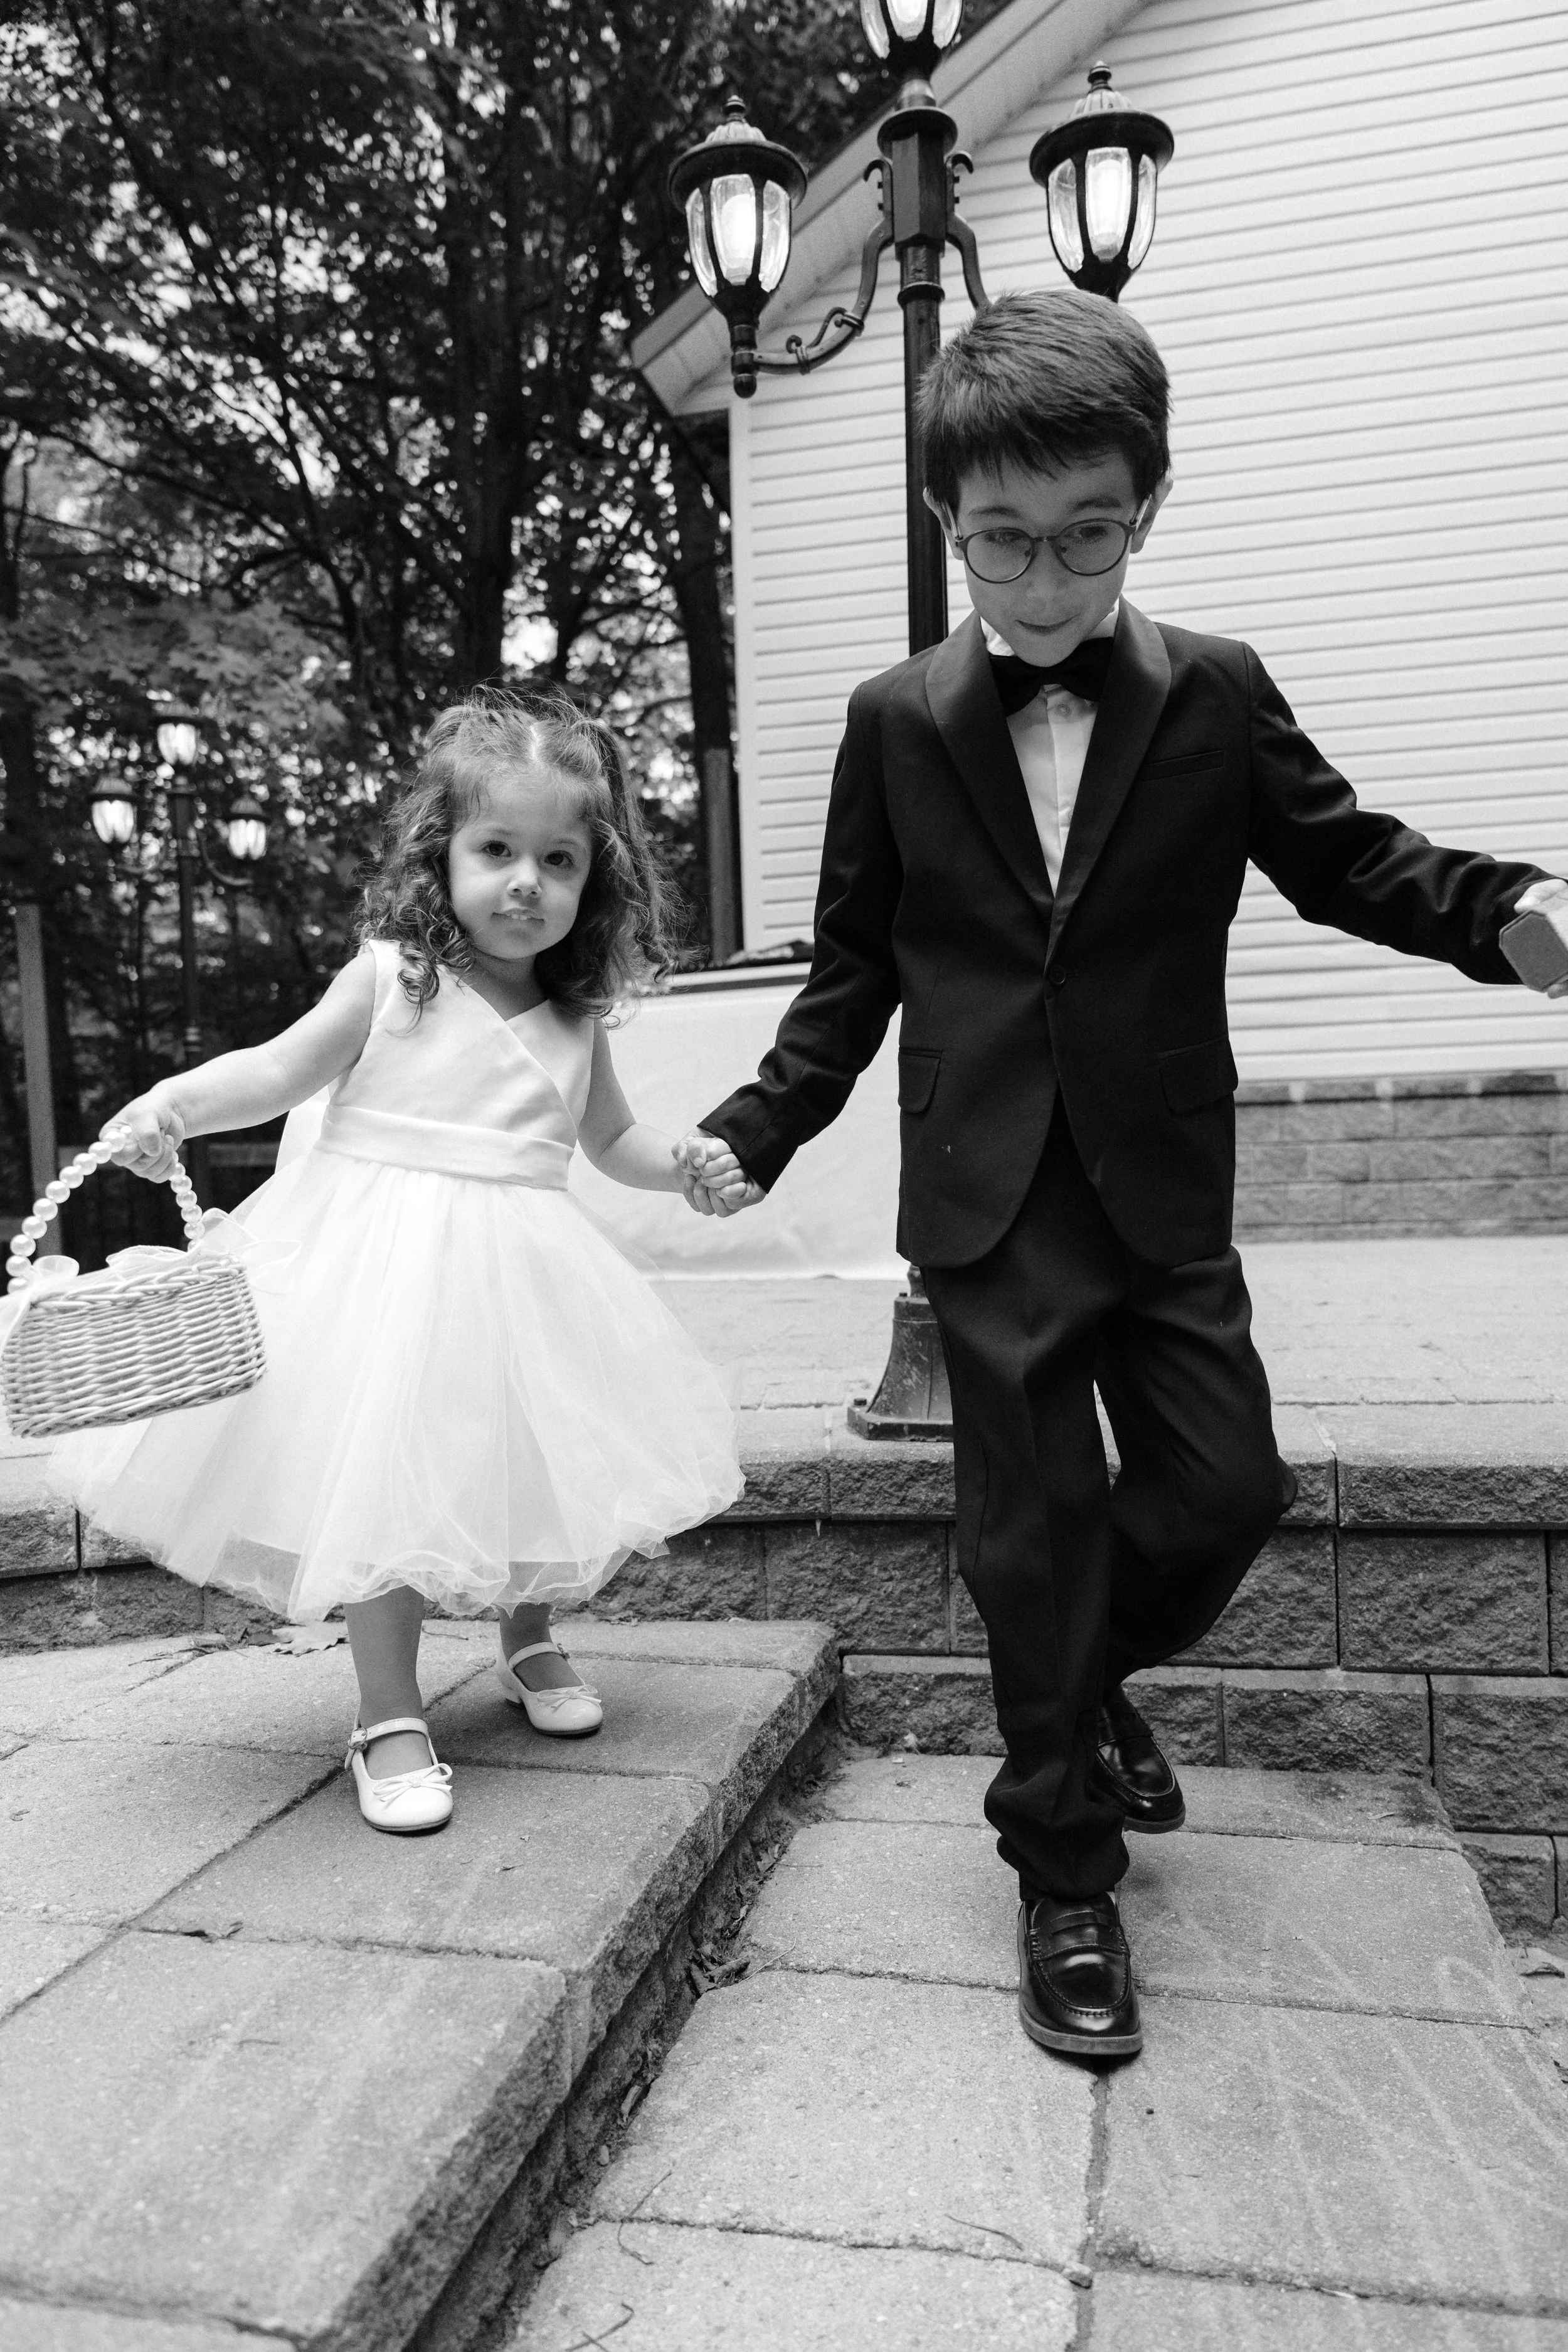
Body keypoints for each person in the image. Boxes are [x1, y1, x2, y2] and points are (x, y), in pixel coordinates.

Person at [676, 288, 1568, 2061]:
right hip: (987, 1192)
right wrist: (757, 1121)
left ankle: (1077, 1695)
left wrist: (1508, 913)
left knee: (1222, 1485)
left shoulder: (1213, 691)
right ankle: (1060, 1868)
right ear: (947, 523)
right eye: (999, 541)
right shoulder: (891, 719)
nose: (1042, 579)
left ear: (1141, 508)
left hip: (1157, 1180)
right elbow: (851, 965)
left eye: (1084, 536)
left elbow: (1353, 858)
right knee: (1031, 1529)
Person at [55, 691, 748, 1836]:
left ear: (596, 881)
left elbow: (612, 1142)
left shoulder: (576, 1019)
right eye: (497, 850)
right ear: (444, 857)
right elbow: (279, 1070)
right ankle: (388, 1710)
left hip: (524, 1272)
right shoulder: (393, 979)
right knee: (389, 1478)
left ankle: (529, 1640)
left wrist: (688, 1163)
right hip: (380, 1273)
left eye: (558, 859)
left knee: (533, 1455)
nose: (526, 880)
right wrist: (176, 1102)